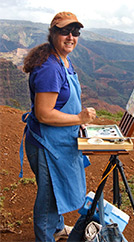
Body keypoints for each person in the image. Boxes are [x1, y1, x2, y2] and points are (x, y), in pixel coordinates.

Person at [19, 11, 96, 242]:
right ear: (53, 33)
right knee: (48, 197)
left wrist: (77, 124)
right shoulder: (50, 67)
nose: (71, 37)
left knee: (57, 190)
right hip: (46, 145)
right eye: (65, 32)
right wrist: (80, 119)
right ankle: (45, 237)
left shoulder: (62, 59)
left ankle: (57, 228)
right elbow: (43, 113)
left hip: (59, 141)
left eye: (75, 32)